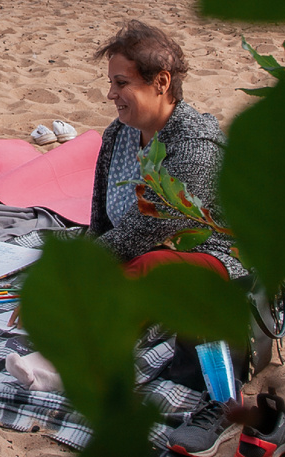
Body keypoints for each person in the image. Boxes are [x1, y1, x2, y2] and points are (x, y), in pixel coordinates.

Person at [89, 20, 244, 279]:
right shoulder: (118, 134)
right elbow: (101, 224)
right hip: (137, 253)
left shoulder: (196, 147)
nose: (111, 94)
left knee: (152, 267)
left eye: (122, 83)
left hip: (212, 257)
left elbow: (146, 228)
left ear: (161, 82)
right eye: (111, 83)